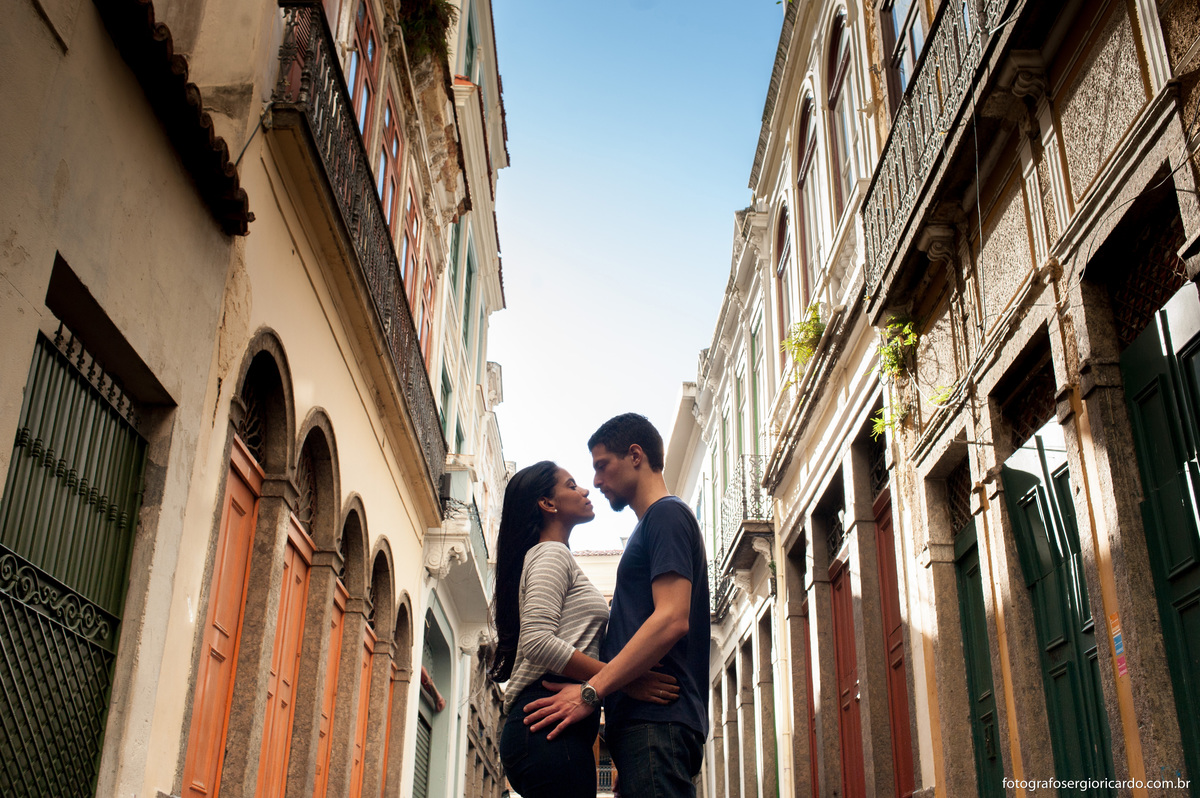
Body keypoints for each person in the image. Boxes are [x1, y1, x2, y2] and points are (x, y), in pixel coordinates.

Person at [524, 414, 710, 798]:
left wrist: (590, 691)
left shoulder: (666, 514)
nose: (595, 481)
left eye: (602, 466)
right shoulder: (651, 525)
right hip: (647, 731)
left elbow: (672, 617)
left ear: (636, 455)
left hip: (656, 724)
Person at [489, 460, 679, 798]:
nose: (586, 489)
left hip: (557, 725)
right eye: (572, 484)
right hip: (547, 722)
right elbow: (537, 641)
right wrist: (622, 679)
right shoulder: (550, 555)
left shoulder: (556, 557)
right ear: (548, 504)